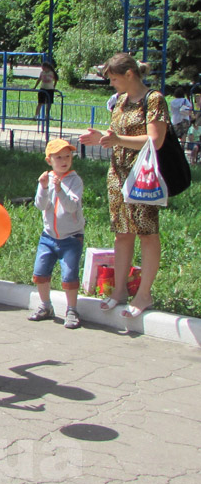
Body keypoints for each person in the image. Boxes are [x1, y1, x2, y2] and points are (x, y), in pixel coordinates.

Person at [79, 53, 166, 318]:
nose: (112, 84)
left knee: (147, 233)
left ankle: (144, 294)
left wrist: (117, 140)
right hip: (118, 175)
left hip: (143, 177)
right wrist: (101, 138)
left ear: (130, 75)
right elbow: (115, 134)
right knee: (122, 233)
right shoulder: (119, 101)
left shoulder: (154, 100)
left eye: (114, 79)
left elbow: (155, 140)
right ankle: (119, 290)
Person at [27, 139, 85, 329]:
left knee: (69, 275)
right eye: (58, 157)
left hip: (71, 238)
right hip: (48, 237)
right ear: (49, 160)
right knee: (40, 272)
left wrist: (59, 190)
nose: (64, 160)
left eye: (67, 156)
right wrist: (44, 187)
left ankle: (72, 309)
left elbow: (71, 207)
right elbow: (40, 205)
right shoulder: (46, 179)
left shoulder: (75, 181)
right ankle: (45, 306)